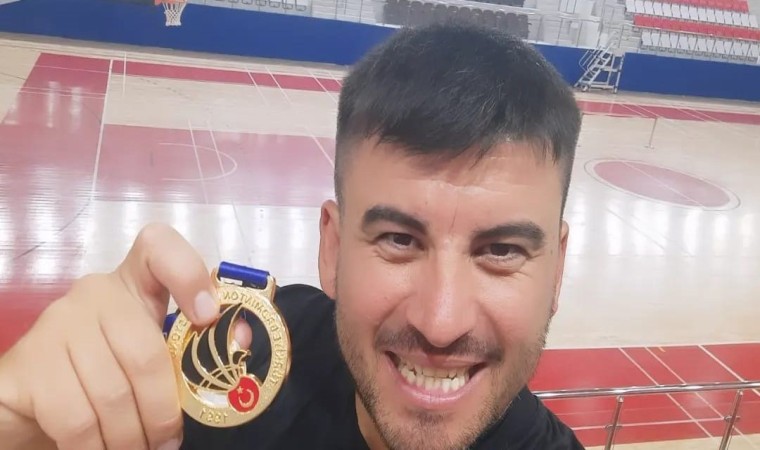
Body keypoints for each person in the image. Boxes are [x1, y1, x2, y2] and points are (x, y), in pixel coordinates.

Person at [0, 23, 584, 450]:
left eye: (501, 251)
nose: (441, 321)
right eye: (399, 240)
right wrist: (19, 422)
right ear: (332, 248)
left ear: (557, 271)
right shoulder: (233, 358)